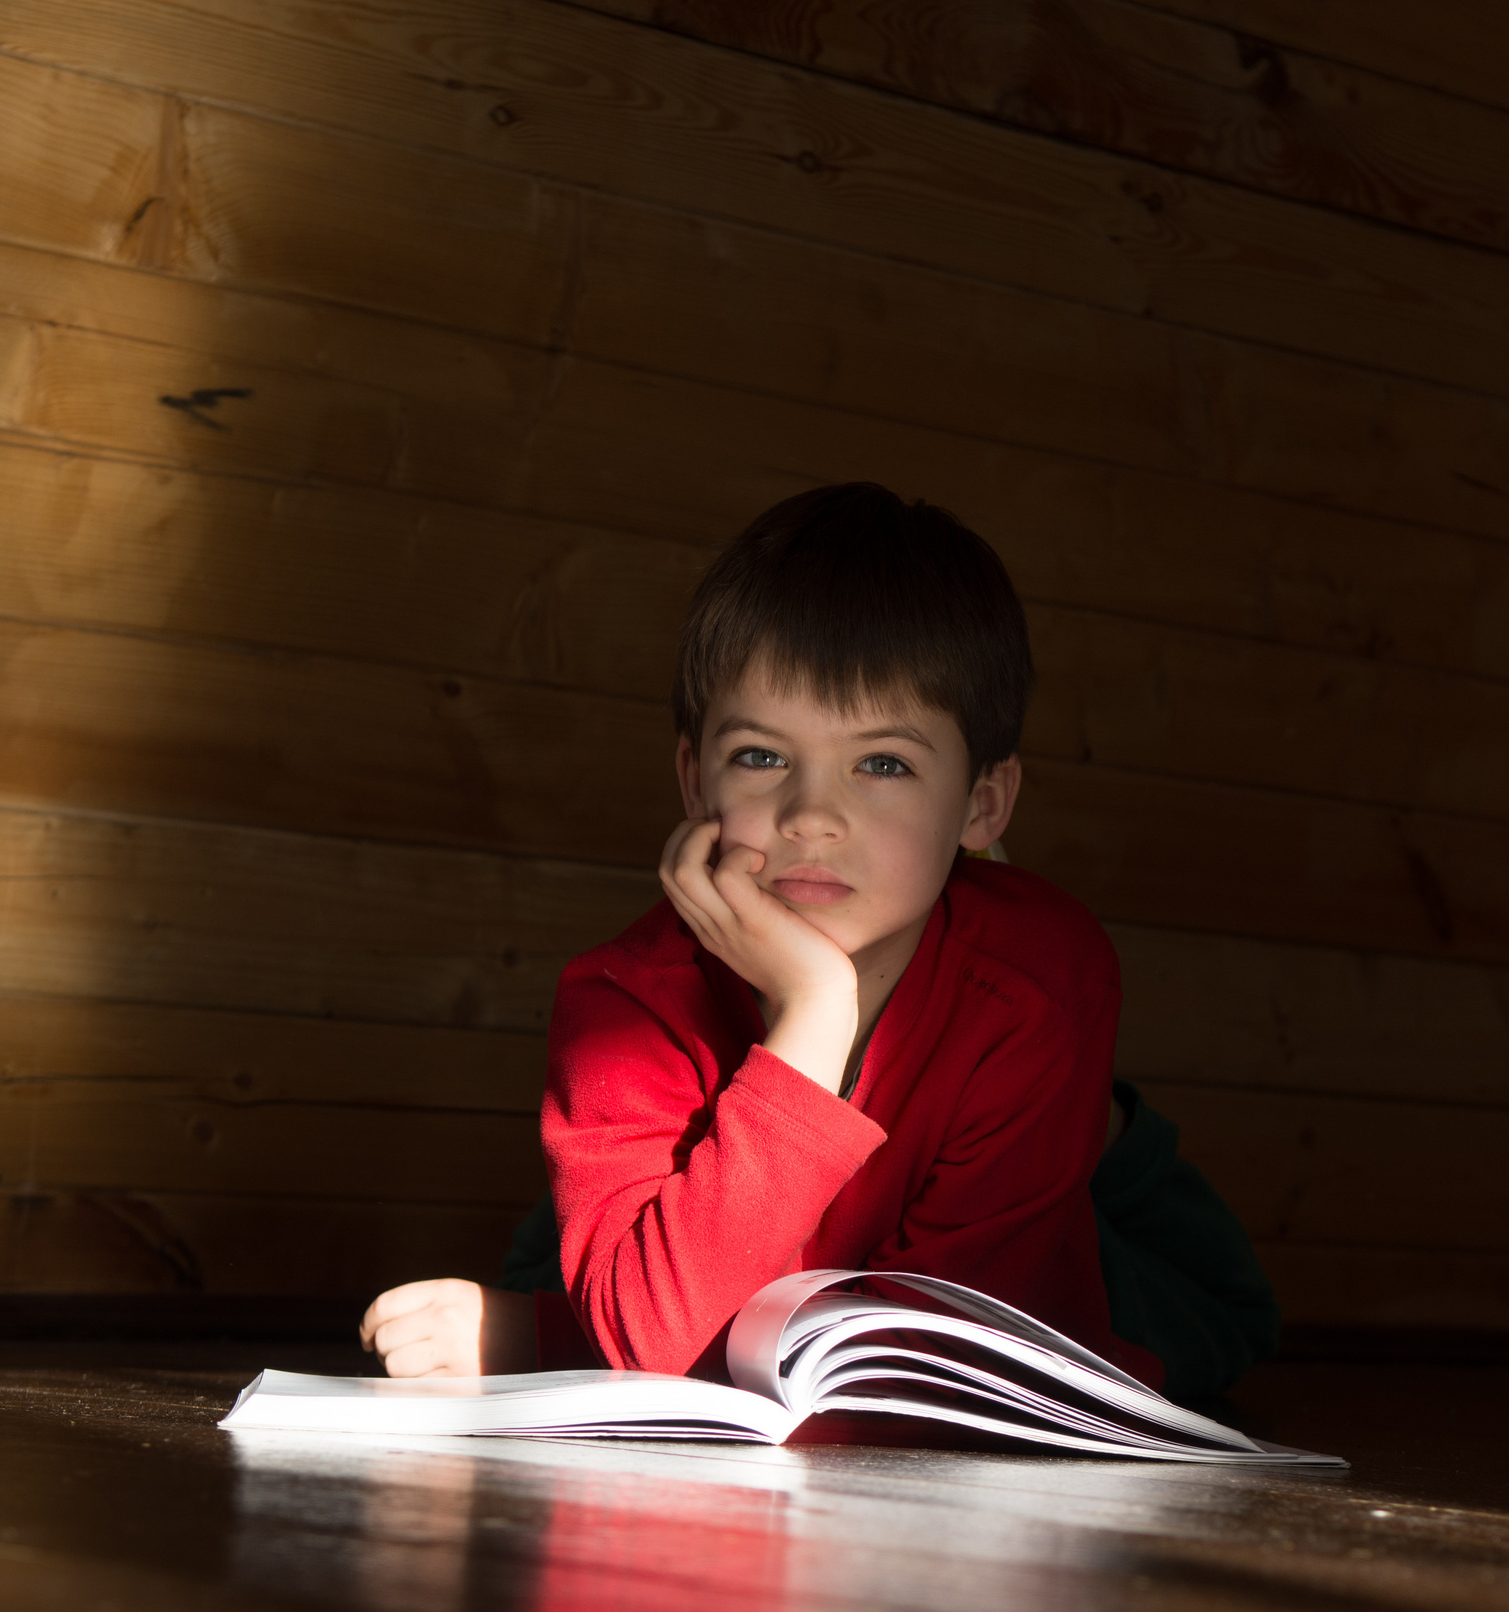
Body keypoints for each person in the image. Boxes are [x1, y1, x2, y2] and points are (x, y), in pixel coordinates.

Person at [360, 484, 1276, 1402]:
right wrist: (816, 1013)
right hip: (733, 1184)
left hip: (1050, 1232)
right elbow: (648, 1334)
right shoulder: (622, 998)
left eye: (884, 764)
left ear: (984, 802)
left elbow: (922, 1371)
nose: (810, 817)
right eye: (762, 756)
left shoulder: (1038, 977)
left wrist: (546, 1333)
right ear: (694, 776)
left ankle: (1101, 1129)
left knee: (1220, 1322)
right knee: (587, 1244)